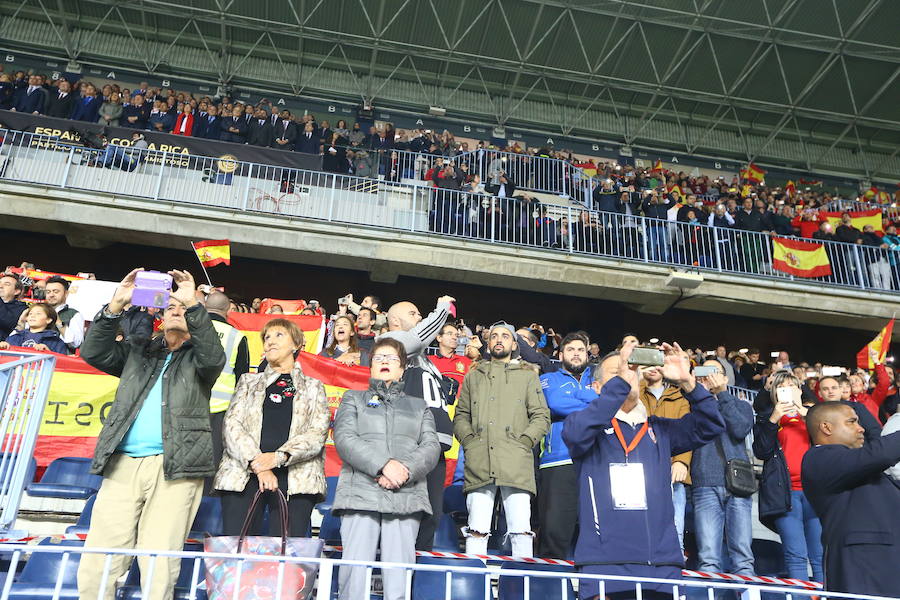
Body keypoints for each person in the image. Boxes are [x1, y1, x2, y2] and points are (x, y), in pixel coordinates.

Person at [76, 268, 225, 600]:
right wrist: (115, 306)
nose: (176, 310)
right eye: (171, 306)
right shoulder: (139, 352)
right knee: (99, 559)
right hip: (122, 465)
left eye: (184, 309)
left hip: (174, 468)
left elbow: (214, 355)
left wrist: (194, 305)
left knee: (159, 560)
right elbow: (93, 352)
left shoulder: (201, 361)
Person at [562, 341, 725, 600]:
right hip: (605, 566)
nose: (626, 377)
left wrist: (688, 382)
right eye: (617, 373)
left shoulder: (659, 430)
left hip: (661, 567)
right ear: (597, 387)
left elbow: (711, 424)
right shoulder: (583, 427)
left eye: (631, 371)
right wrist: (620, 383)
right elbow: (577, 432)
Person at [333, 337, 440, 600]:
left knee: (398, 578)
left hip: (406, 495)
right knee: (353, 576)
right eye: (379, 357)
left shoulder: (419, 406)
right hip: (360, 494)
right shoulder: (353, 398)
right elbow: (344, 438)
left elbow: (431, 446)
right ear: (370, 366)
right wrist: (383, 467)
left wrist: (403, 469)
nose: (384, 362)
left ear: (402, 368)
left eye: (391, 358)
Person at [214, 318, 330, 537]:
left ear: (296, 344)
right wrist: (260, 465)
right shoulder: (248, 382)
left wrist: (278, 458)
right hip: (244, 473)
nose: (270, 342)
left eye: (279, 335)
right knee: (236, 550)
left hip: (296, 477)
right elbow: (231, 425)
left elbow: (317, 433)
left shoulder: (314, 387)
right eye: (267, 337)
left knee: (287, 557)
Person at [453, 322, 550, 557]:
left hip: (516, 461)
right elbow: (461, 416)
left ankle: (520, 588)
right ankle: (476, 586)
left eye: (505, 336)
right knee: (476, 529)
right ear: (488, 343)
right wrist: (470, 442)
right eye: (494, 335)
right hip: (480, 460)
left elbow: (541, 416)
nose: (498, 339)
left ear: (514, 344)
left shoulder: (527, 376)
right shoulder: (473, 375)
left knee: (521, 530)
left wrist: (524, 443)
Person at [378, 296, 455, 550]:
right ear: (396, 322)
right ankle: (392, 575)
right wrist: (442, 308)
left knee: (430, 515)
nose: (420, 318)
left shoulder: (423, 359)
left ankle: (415, 580)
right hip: (411, 445)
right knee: (405, 514)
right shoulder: (392, 343)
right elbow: (421, 335)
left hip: (434, 447)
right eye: (414, 313)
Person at [802, 402, 900, 597]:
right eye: (852, 422)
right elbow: (882, 452)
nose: (860, 428)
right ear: (826, 427)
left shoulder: (860, 467)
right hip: (862, 572)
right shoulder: (818, 458)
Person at [753, 371, 823, 583]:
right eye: (782, 387)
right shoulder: (767, 417)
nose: (788, 390)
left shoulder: (814, 414)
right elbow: (761, 451)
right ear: (775, 394)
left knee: (820, 555)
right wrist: (774, 419)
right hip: (785, 493)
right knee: (796, 555)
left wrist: (805, 413)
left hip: (815, 492)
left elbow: (828, 442)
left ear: (801, 391)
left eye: (793, 386)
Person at [689, 360, 755, 578]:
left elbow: (739, 429)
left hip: (737, 483)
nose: (708, 376)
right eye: (703, 372)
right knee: (708, 558)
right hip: (705, 483)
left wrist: (723, 394)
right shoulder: (691, 404)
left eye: (714, 372)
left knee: (743, 557)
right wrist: (700, 394)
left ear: (726, 379)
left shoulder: (741, 405)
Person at [537, 332, 593, 559]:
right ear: (560, 355)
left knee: (593, 530)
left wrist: (584, 398)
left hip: (595, 461)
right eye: (570, 350)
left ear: (588, 355)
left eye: (580, 350)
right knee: (555, 531)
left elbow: (614, 405)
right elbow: (557, 404)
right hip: (558, 460)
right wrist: (593, 399)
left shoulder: (600, 379)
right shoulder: (548, 379)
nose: (576, 354)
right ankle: (549, 587)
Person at [639, 359, 692, 553]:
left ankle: (674, 577)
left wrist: (681, 461)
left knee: (674, 529)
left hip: (670, 470)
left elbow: (687, 432)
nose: (652, 368)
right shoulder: (635, 392)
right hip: (639, 469)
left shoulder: (680, 398)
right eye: (647, 363)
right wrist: (637, 376)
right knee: (639, 529)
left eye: (656, 364)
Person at [204, 292, 249, 480]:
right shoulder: (237, 337)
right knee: (211, 461)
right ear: (228, 309)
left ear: (205, 306)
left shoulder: (189, 328)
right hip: (220, 409)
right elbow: (242, 378)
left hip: (187, 404)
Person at [0, 304, 68, 354]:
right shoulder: (14, 337)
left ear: (49, 320)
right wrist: (3, 347)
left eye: (38, 314)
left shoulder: (56, 342)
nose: (32, 316)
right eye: (30, 313)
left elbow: (61, 364)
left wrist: (48, 352)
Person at [43, 275, 84, 353]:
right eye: (48, 292)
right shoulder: (38, 310)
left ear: (66, 294)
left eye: (56, 291)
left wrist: (59, 323)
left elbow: (76, 344)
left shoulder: (74, 314)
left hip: (59, 359)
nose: (51, 295)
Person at [0, 273, 28, 341]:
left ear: (16, 291)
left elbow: (7, 321)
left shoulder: (21, 308)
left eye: (7, 284)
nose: (0, 286)